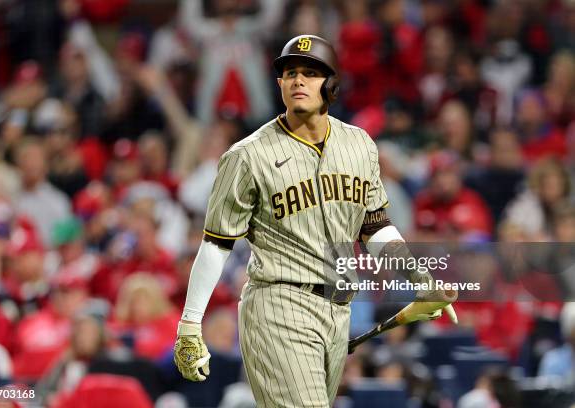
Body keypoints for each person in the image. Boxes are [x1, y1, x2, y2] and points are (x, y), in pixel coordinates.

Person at [173, 35, 457, 407]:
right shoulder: (247, 156)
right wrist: (190, 324)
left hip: (339, 310)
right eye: (290, 73)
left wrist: (420, 277)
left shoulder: (359, 145)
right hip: (278, 303)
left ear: (332, 84)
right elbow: (216, 244)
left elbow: (373, 228)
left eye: (310, 73)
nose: (298, 81)